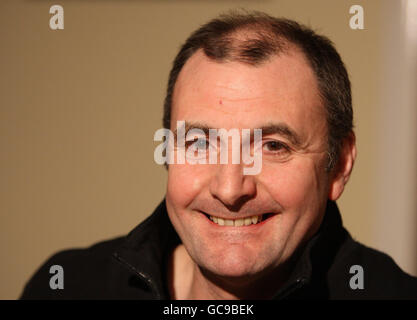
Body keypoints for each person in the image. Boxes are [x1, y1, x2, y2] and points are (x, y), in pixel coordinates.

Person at [20, 11, 417, 300]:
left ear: (340, 165)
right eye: (199, 144)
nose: (230, 190)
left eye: (273, 146)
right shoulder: (68, 285)